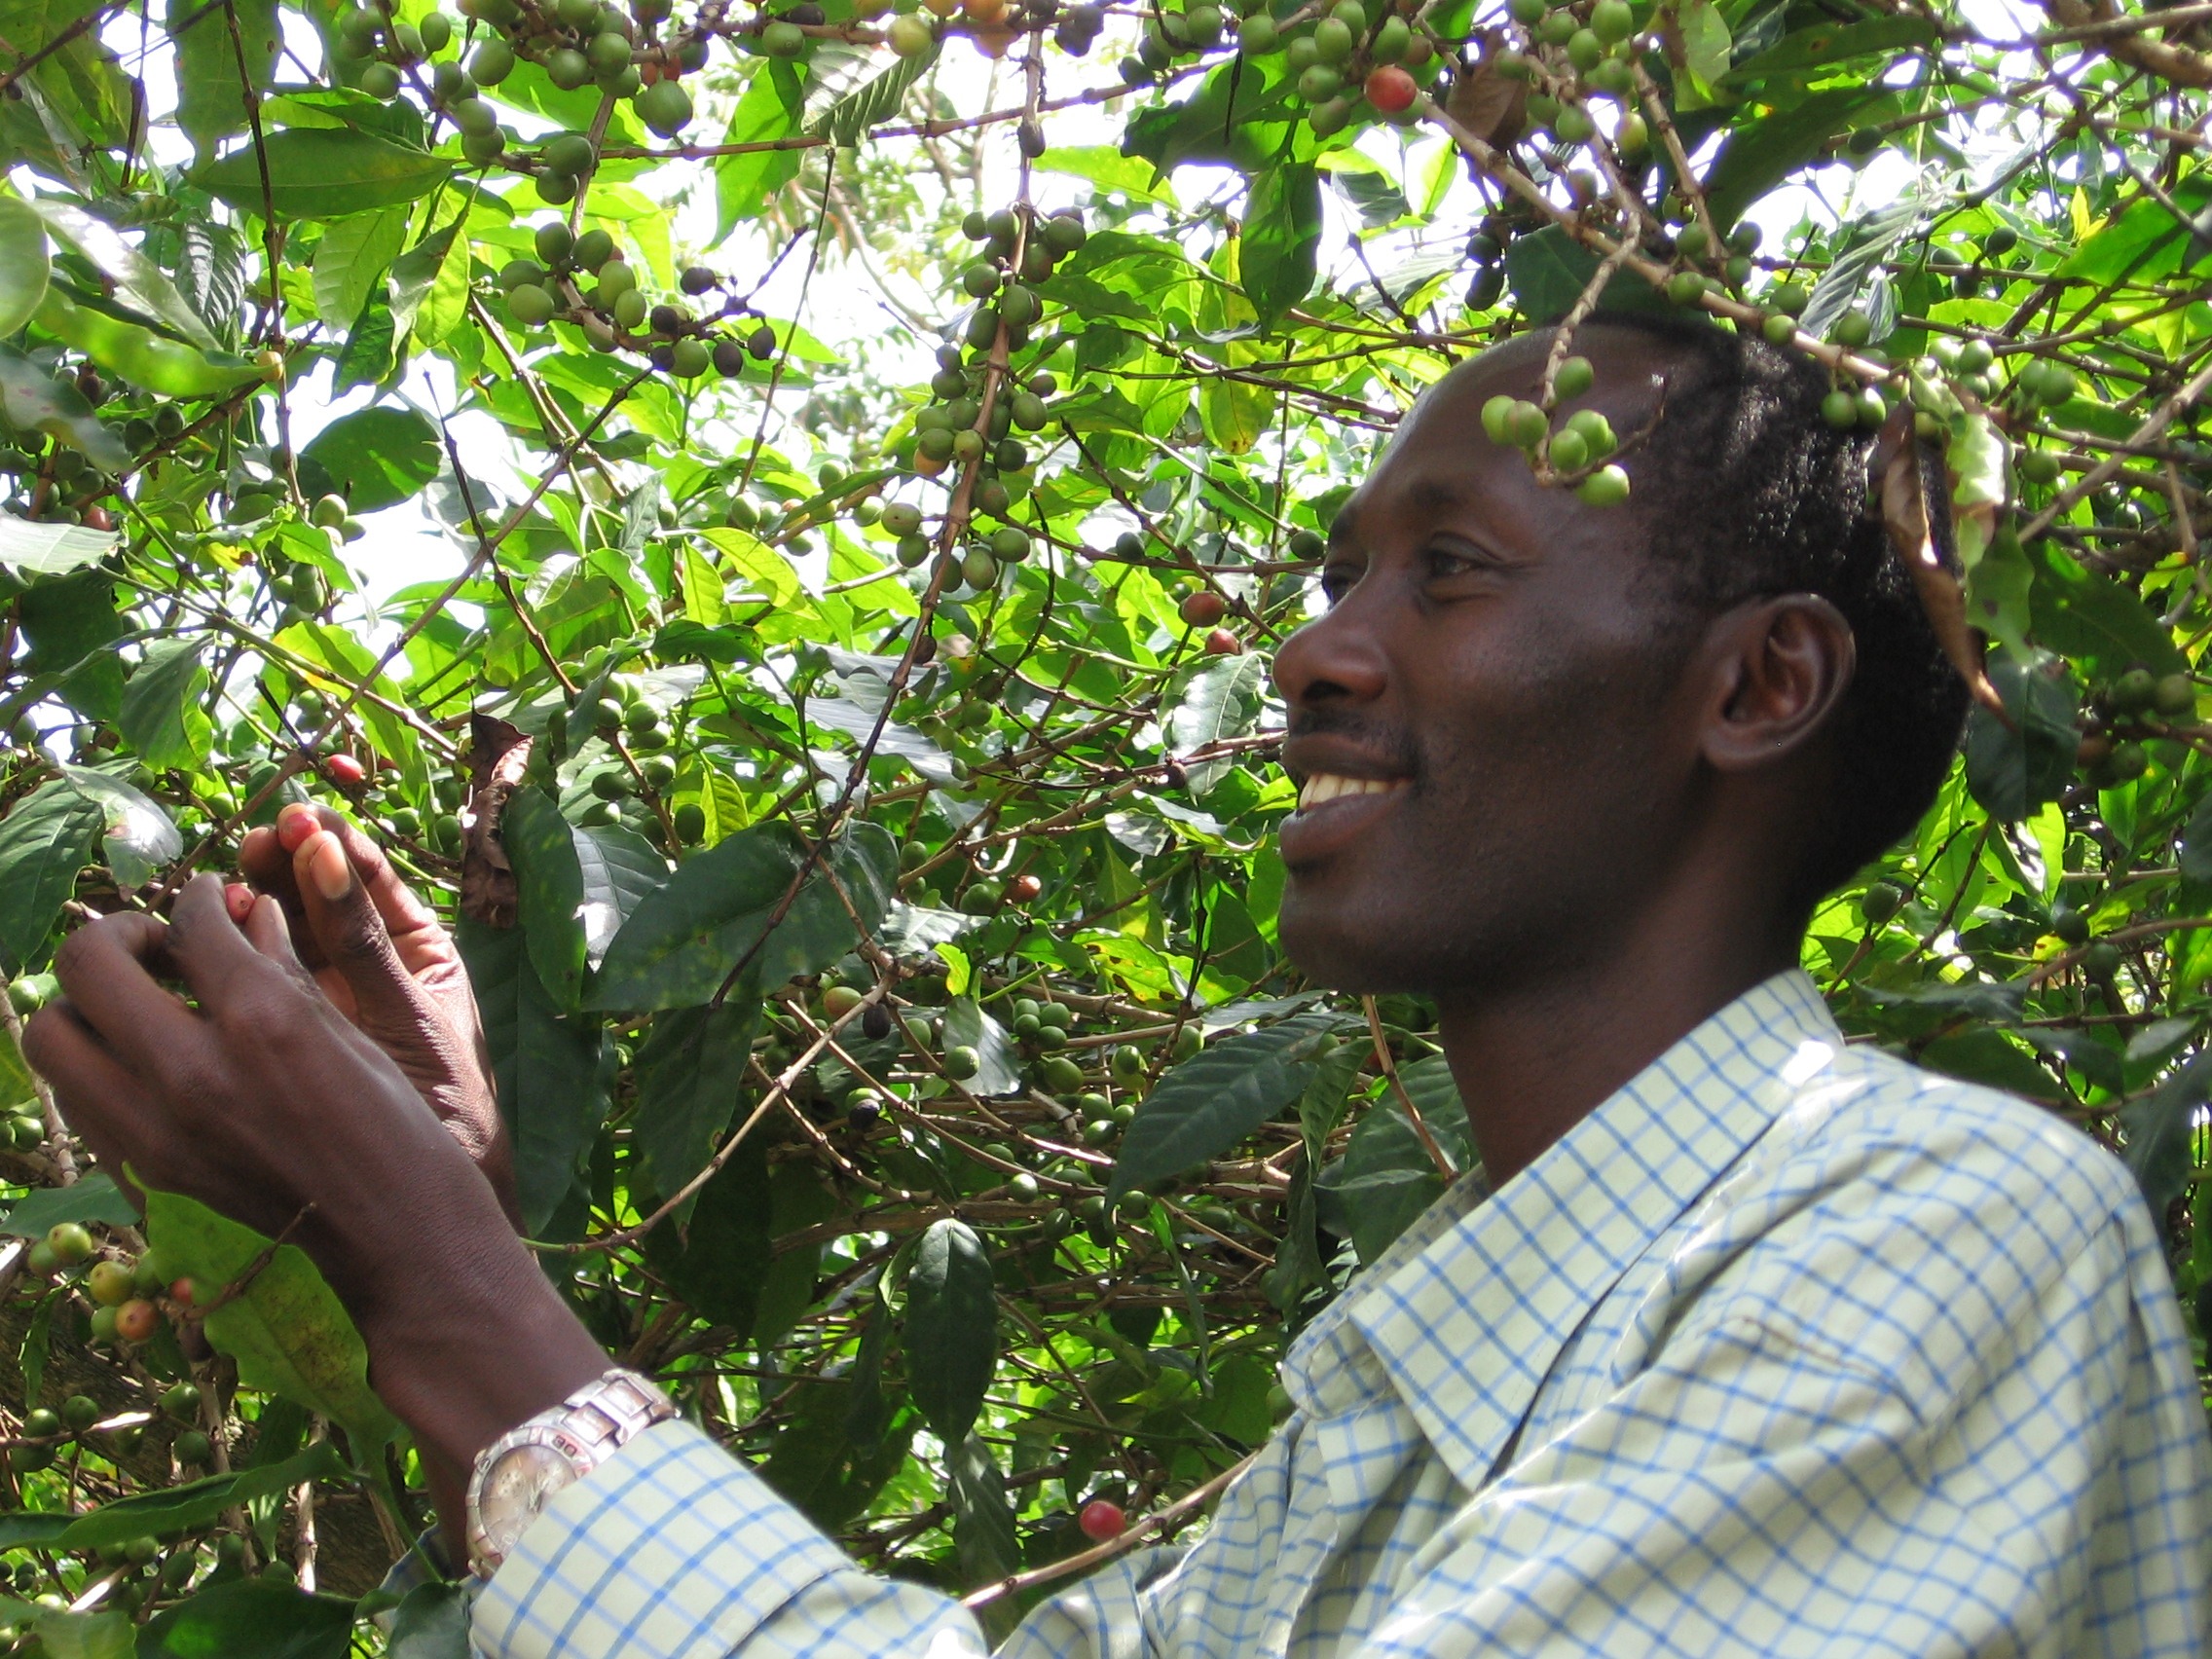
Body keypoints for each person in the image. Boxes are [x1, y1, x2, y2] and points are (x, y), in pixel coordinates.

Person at [22, 314, 2212, 1657]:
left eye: (1446, 569)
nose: (1312, 646)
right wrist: (444, 1241)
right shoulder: (1390, 1421)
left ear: (1753, 686)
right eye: (1339, 569)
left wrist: (450, 1296)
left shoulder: (1927, 1234)